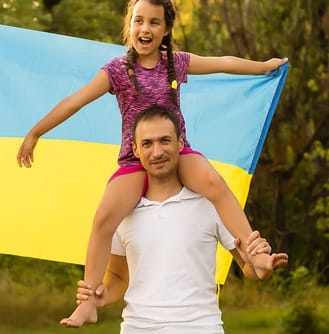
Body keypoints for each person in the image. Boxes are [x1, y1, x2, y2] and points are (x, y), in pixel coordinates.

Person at [13, 0, 289, 326]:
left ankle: (254, 250)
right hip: (134, 158)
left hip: (176, 150)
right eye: (138, 20)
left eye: (154, 23)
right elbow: (76, 100)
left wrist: (263, 67)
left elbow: (222, 63)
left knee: (215, 183)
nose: (145, 28)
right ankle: (88, 302)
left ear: (165, 30)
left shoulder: (176, 62)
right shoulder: (116, 70)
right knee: (103, 220)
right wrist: (36, 132)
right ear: (129, 25)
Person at [66, 105, 289, 332]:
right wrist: (101, 296)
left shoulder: (211, 203)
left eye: (165, 140)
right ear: (135, 149)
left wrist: (262, 268)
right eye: (147, 143)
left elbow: (247, 267)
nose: (157, 152)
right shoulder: (123, 212)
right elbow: (117, 276)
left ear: (180, 143)